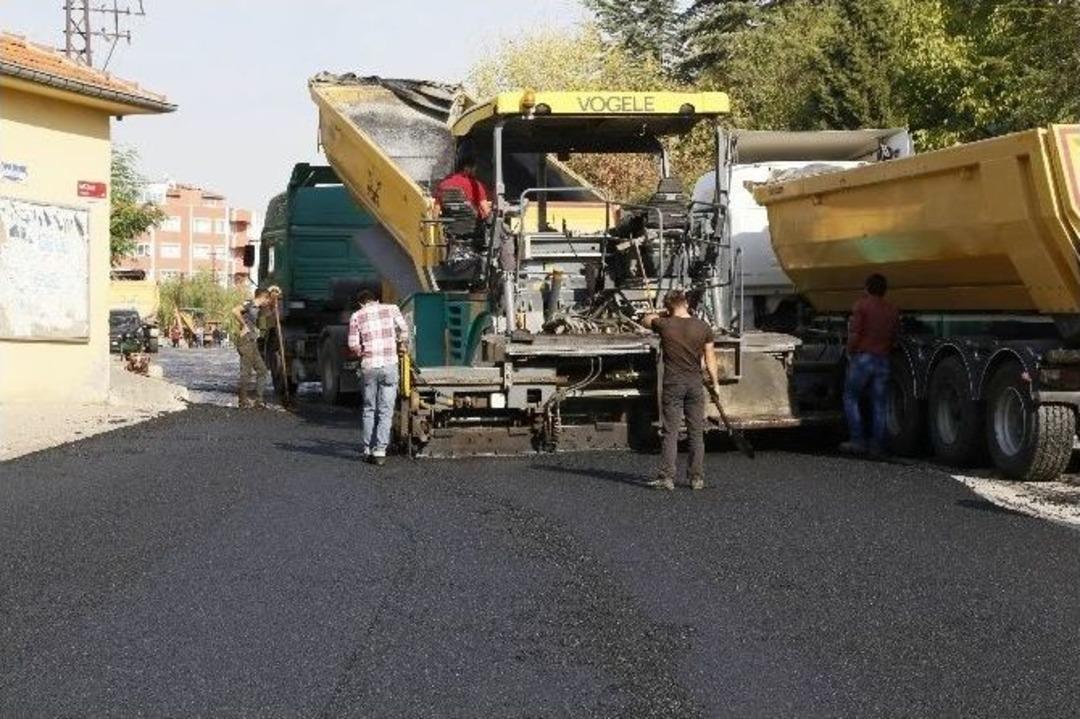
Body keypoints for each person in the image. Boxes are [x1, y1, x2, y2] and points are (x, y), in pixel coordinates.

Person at [642, 290, 722, 491]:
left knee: (670, 432)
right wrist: (715, 383)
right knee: (696, 432)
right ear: (686, 303)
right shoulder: (703, 327)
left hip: (673, 384)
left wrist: (663, 313)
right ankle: (696, 478)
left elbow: (645, 320)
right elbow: (710, 358)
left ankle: (667, 477)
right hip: (695, 384)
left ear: (668, 306)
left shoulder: (664, 325)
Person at [348, 289, 409, 466]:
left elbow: (353, 344)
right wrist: (400, 343)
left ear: (361, 303)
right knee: (386, 410)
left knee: (369, 409)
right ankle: (381, 450)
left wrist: (362, 351)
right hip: (389, 366)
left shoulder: (357, 315)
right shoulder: (392, 309)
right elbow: (404, 330)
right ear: (377, 300)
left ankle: (367, 448)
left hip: (369, 367)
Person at [841, 273, 900, 456]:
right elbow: (894, 337)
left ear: (867, 288)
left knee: (851, 397)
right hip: (883, 359)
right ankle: (877, 445)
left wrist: (849, 350)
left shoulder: (861, 306)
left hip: (863, 359)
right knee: (879, 403)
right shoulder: (892, 310)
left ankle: (858, 440)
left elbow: (855, 334)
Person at [231, 288, 272, 408]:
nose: (267, 302)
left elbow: (268, 315)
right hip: (246, 341)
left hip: (253, 342)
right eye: (267, 299)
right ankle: (243, 400)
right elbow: (235, 310)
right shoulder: (250, 305)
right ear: (263, 297)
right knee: (246, 372)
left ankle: (259, 400)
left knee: (262, 370)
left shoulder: (258, 309)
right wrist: (243, 325)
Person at [435, 152, 492, 220]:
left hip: (448, 225)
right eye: (474, 168)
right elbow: (485, 210)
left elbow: (436, 209)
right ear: (467, 168)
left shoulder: (443, 184)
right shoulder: (475, 185)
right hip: (471, 224)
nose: (475, 170)